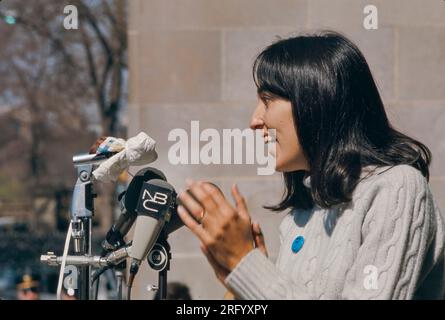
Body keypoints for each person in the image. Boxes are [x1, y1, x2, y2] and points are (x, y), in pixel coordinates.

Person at [176, 31, 445, 300]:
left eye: (267, 100)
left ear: (315, 100)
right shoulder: (301, 216)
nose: (255, 120)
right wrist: (242, 281)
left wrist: (247, 265)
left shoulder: (396, 187)